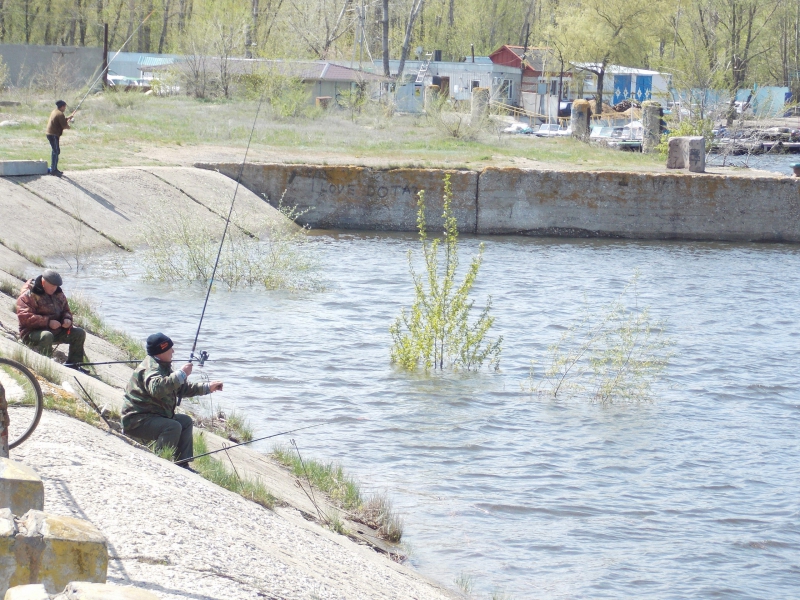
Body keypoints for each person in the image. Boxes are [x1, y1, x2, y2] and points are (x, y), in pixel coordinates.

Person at [122, 333, 223, 467]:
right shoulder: (151, 368)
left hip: (152, 416)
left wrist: (207, 388)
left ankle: (182, 463)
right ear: (161, 350)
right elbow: (157, 389)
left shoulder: (163, 365)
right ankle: (160, 462)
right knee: (172, 426)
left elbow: (180, 389)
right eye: (170, 348)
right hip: (137, 421)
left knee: (185, 421)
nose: (173, 351)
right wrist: (181, 374)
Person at [16, 269, 86, 369]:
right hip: (31, 333)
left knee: (79, 333)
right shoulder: (29, 295)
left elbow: (66, 311)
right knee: (46, 335)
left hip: (56, 332)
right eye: (52, 285)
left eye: (56, 286)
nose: (54, 288)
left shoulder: (59, 295)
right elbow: (25, 317)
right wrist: (48, 322)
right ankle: (46, 365)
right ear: (43, 282)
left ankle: (75, 365)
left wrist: (67, 320)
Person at [46, 100, 73, 177]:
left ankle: (54, 168)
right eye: (65, 107)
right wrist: (69, 126)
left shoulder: (55, 111)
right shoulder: (60, 114)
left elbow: (60, 121)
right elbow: (64, 125)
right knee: (56, 151)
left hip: (50, 134)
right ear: (62, 106)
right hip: (53, 134)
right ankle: (53, 170)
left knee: (55, 151)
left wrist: (68, 118)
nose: (65, 108)